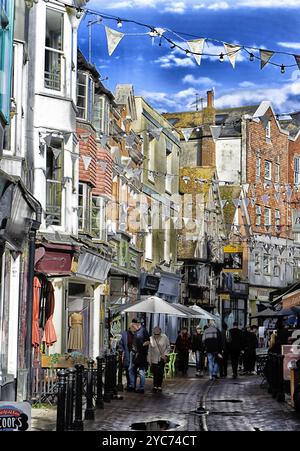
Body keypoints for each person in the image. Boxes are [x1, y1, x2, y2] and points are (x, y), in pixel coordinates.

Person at [128, 318, 150, 393]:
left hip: (141, 354)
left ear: (137, 324)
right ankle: (132, 386)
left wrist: (141, 346)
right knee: (131, 369)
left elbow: (148, 341)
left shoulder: (144, 330)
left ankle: (141, 388)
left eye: (133, 325)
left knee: (141, 371)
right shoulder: (136, 331)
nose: (132, 326)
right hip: (133, 353)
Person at [148, 326, 170, 392]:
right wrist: (149, 360)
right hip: (154, 358)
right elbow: (149, 350)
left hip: (162, 358)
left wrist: (165, 355)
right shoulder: (151, 338)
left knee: (160, 372)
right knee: (155, 373)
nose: (156, 335)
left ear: (160, 333)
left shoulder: (164, 337)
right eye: (155, 334)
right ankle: (155, 386)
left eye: (157, 334)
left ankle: (159, 386)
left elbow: (168, 347)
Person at [118, 322, 136, 390]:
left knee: (132, 370)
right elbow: (120, 344)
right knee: (127, 369)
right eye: (133, 327)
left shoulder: (137, 334)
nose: (134, 329)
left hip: (134, 354)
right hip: (127, 354)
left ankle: (132, 385)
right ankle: (129, 384)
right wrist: (123, 351)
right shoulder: (124, 334)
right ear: (130, 327)